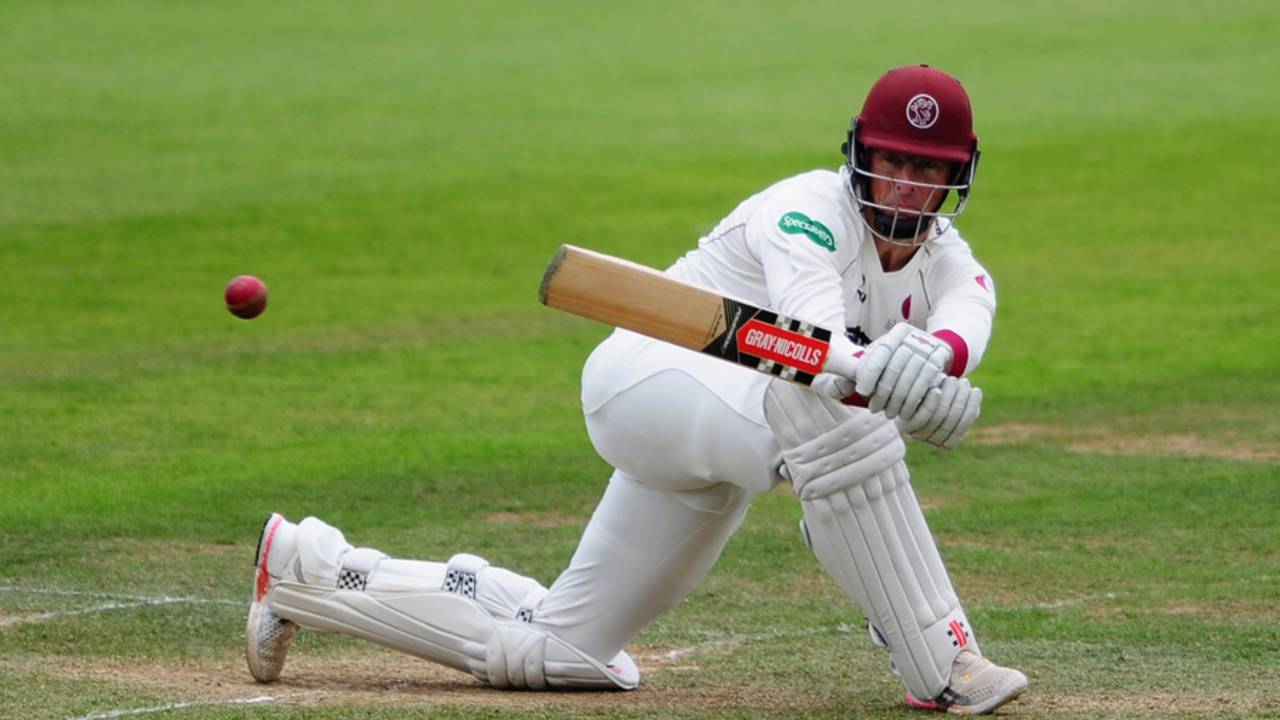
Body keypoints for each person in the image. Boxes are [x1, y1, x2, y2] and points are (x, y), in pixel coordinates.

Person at [245, 64, 1027, 714]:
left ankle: (308, 570)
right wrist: (887, 386)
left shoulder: (956, 264)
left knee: (562, 653)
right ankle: (941, 657)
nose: (904, 187)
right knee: (825, 408)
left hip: (731, 436)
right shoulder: (806, 213)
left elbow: (965, 325)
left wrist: (941, 374)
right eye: (891, 162)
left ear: (957, 176)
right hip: (651, 379)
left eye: (926, 171)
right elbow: (813, 346)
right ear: (859, 154)